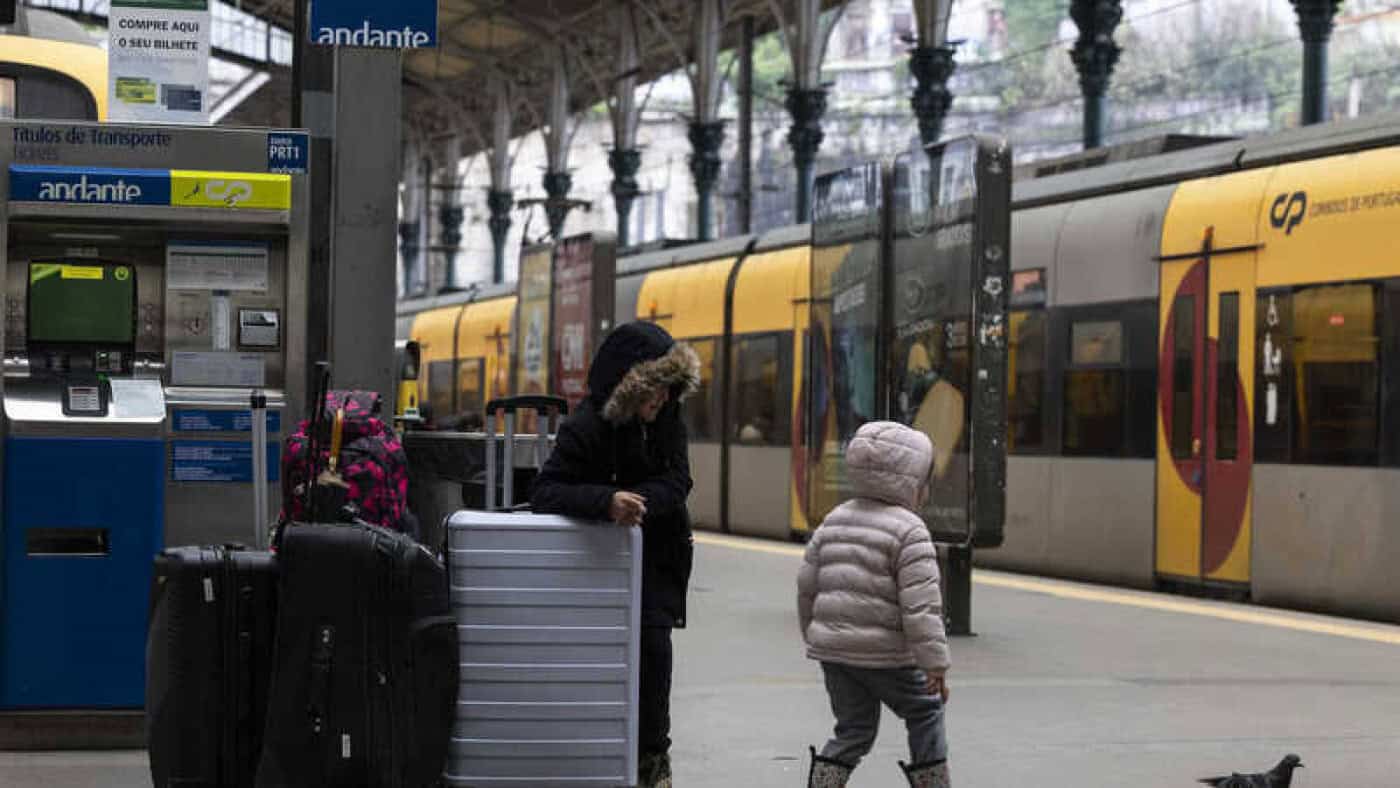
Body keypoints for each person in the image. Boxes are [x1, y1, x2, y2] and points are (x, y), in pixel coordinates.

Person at [531, 321, 700, 788]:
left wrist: (639, 503)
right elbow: (546, 491)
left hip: (657, 562)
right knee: (600, 663)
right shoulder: (587, 426)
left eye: (668, 389)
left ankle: (654, 761)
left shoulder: (668, 421)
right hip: (597, 567)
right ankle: (595, 756)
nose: (662, 399)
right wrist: (605, 503)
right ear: (628, 385)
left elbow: (679, 480)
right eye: (654, 389)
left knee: (654, 657)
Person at [797, 421, 952, 788]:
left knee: (854, 729)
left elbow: (807, 587)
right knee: (926, 711)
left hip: (835, 655)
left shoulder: (833, 520)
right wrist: (935, 664)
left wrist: (817, 637)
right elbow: (920, 608)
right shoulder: (911, 531)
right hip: (886, 656)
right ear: (910, 482)